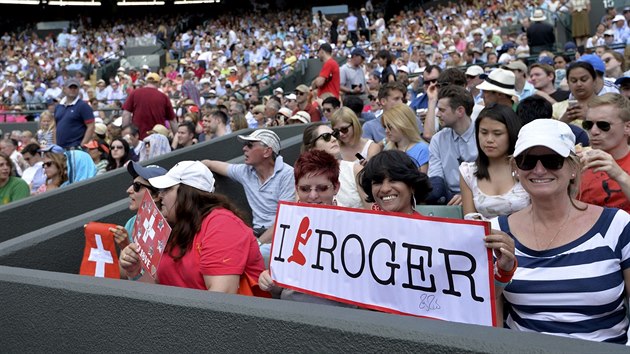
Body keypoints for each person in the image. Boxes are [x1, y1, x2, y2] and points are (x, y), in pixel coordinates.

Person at [497, 118, 630, 343]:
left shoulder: (616, 226)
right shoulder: (497, 232)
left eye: (552, 160)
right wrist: (501, 275)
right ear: (516, 169)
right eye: (527, 161)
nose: (539, 170)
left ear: (573, 168)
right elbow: (485, 314)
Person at [119, 161, 265, 292]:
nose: (161, 195)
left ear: (187, 193)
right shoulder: (174, 227)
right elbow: (156, 289)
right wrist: (136, 270)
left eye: (167, 189)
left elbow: (221, 301)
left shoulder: (223, 225)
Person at [258, 150, 356, 306]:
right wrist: (269, 280)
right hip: (292, 311)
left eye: (322, 188)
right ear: (296, 188)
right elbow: (279, 288)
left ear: (336, 187)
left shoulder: (355, 226)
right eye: (305, 189)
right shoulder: (288, 225)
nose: (312, 196)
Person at [202, 129, 296, 244]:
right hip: (256, 235)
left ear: (267, 152)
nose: (244, 148)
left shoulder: (287, 174)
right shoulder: (245, 171)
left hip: (281, 237)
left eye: (250, 145)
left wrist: (258, 244)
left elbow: (285, 218)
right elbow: (212, 164)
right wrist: (198, 165)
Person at [460, 104, 529, 220]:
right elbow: (470, 219)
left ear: (511, 134)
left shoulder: (528, 168)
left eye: (497, 134)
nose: (489, 140)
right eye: (483, 132)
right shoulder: (468, 172)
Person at [109, 161, 167, 278]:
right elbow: (124, 275)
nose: (129, 190)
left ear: (156, 196)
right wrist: (125, 247)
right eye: (132, 184)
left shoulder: (168, 228)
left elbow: (157, 278)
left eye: (137, 186)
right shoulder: (131, 222)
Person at [579, 93, 630, 212]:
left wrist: (619, 175)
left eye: (603, 125)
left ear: (627, 127)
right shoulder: (580, 161)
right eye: (588, 125)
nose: (594, 131)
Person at [301, 123, 366, 209]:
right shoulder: (303, 175)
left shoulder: (355, 170)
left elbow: (372, 211)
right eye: (326, 137)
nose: (334, 139)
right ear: (311, 147)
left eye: (335, 134)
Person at [357, 150, 431, 213]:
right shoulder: (364, 228)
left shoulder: (428, 229)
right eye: (378, 182)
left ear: (412, 186)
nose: (385, 189)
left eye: (394, 180)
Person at [121, 73, 176, 140]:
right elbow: (173, 121)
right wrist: (177, 138)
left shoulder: (134, 93)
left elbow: (126, 114)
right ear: (158, 83)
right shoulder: (164, 97)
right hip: (158, 138)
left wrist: (126, 135)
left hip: (138, 138)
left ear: (146, 82)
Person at [382, 103, 429, 172]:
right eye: (385, 127)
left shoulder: (423, 149)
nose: (386, 131)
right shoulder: (387, 149)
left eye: (390, 126)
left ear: (403, 124)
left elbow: (423, 180)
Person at [54, 78, 95, 149]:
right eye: (70, 87)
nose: (73, 90)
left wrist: (83, 144)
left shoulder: (83, 106)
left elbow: (91, 126)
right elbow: (55, 126)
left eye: (75, 88)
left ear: (78, 90)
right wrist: (55, 145)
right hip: (60, 149)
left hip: (75, 147)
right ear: (64, 89)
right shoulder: (58, 106)